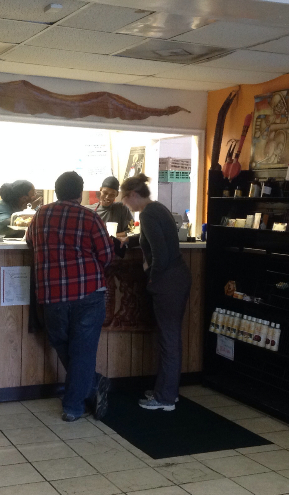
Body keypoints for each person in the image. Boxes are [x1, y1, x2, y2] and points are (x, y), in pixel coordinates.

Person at [26, 171, 114, 422]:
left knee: (61, 343)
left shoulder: (40, 214)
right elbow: (107, 255)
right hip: (88, 291)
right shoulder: (90, 217)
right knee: (82, 350)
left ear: (56, 191)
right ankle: (78, 402)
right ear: (80, 192)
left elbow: (30, 242)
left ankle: (87, 390)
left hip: (52, 293)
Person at [119, 173, 191, 411]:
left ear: (133, 194)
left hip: (167, 282)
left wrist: (152, 278)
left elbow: (161, 253)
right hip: (177, 278)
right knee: (171, 339)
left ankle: (165, 398)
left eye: (125, 198)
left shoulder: (148, 214)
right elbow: (152, 240)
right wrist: (129, 240)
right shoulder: (157, 208)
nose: (124, 203)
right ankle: (167, 390)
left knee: (169, 340)